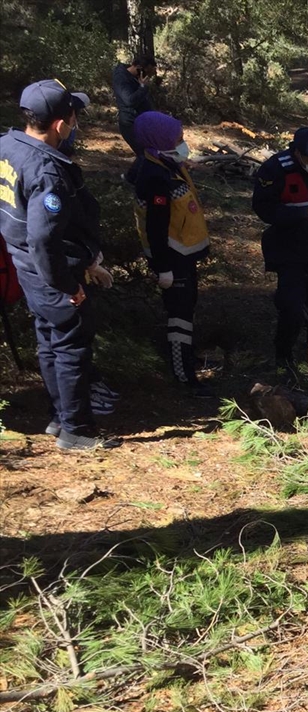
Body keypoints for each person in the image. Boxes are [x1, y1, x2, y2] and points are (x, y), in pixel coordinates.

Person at [0, 80, 118, 450]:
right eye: (73, 115)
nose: (76, 122)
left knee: (49, 341)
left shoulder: (8, 145)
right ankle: (76, 430)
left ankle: (60, 418)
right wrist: (68, 284)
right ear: (60, 125)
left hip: (24, 262)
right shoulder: (47, 172)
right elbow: (43, 238)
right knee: (70, 345)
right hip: (49, 269)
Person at [132, 111, 212, 395]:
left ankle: (188, 361)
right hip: (173, 259)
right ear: (160, 140)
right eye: (178, 139)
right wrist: (163, 267)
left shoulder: (164, 163)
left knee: (187, 309)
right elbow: (156, 226)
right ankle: (184, 376)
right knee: (179, 315)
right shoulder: (155, 176)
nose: (183, 143)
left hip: (183, 256)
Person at [252, 127, 308, 377]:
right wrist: (302, 214)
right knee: (291, 306)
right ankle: (284, 358)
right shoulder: (275, 168)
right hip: (288, 247)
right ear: (298, 154)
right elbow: (263, 208)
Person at [112, 58, 156, 155]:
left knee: (149, 153)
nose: (146, 76)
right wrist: (143, 87)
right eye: (146, 72)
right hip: (130, 122)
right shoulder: (121, 78)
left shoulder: (134, 78)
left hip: (142, 120)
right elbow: (129, 101)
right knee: (144, 154)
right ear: (139, 68)